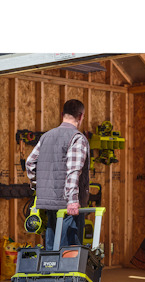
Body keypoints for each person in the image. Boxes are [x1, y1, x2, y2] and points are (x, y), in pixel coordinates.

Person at [26, 99, 90, 250]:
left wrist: (39, 186)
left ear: (62, 114)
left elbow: (30, 163)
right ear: (81, 116)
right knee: (69, 254)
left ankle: (51, 274)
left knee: (51, 250)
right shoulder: (77, 138)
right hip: (69, 207)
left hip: (49, 205)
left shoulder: (46, 136)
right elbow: (73, 171)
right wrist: (73, 200)